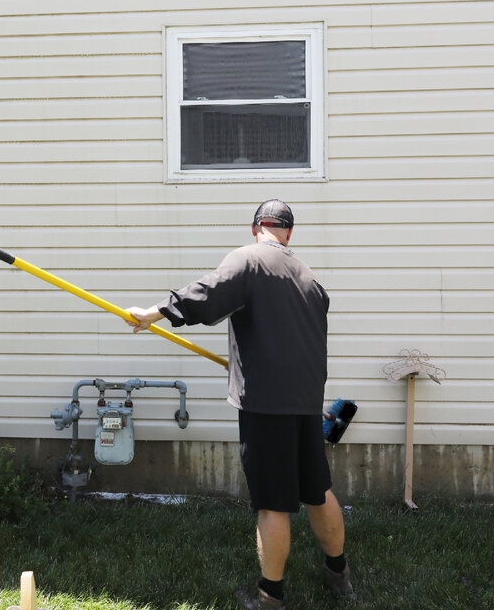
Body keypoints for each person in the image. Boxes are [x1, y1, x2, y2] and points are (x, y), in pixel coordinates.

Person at [122, 200, 354, 607]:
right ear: (289, 233)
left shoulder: (248, 261)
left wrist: (152, 314)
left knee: (273, 502)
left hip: (267, 401)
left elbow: (206, 295)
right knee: (318, 490)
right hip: (305, 397)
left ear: (255, 228)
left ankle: (270, 596)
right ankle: (340, 576)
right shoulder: (309, 276)